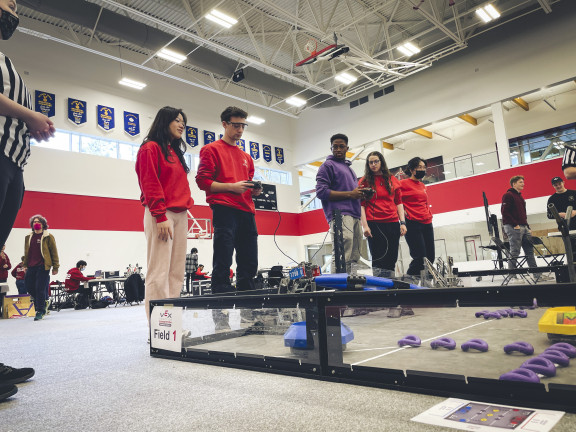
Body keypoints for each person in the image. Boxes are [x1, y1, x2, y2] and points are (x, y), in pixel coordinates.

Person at [0, 0, 53, 399]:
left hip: (13, 163)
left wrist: (28, 125)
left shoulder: (9, 64)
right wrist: (31, 116)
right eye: (9, 2)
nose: (14, 10)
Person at [135, 106, 193, 321]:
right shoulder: (150, 148)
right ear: (164, 121)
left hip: (180, 213)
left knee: (176, 273)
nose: (181, 125)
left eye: (183, 122)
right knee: (159, 271)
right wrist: (159, 216)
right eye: (177, 120)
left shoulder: (174, 152)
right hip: (161, 213)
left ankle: (171, 322)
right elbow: (150, 183)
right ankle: (158, 325)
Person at [195, 106, 261, 294]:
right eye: (236, 125)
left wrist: (254, 191)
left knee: (249, 260)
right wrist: (231, 187)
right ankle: (220, 298)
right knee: (224, 256)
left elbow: (246, 184)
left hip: (247, 210)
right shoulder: (210, 150)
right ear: (224, 124)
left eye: (243, 126)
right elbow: (202, 181)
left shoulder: (246, 157)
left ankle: (248, 298)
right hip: (224, 209)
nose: (240, 130)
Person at [315, 133, 364, 274]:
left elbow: (352, 193)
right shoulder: (327, 166)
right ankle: (338, 289)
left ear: (347, 148)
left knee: (355, 254)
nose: (338, 149)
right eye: (335, 147)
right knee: (342, 252)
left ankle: (352, 287)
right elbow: (321, 192)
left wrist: (361, 194)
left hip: (355, 215)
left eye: (341, 146)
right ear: (331, 148)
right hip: (340, 214)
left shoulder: (350, 169)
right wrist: (351, 194)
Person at [358, 151, 407, 278]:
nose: (373, 164)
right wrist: (365, 226)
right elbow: (361, 205)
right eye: (370, 162)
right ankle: (380, 290)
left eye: (376, 161)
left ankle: (390, 288)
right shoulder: (364, 182)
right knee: (378, 260)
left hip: (392, 223)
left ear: (381, 162)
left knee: (391, 258)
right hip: (374, 224)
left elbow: (399, 202)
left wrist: (402, 222)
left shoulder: (392, 179)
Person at [399, 157, 434, 280]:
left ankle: (427, 287)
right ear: (412, 169)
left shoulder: (423, 185)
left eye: (424, 167)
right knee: (420, 257)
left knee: (430, 258)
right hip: (412, 222)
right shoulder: (402, 183)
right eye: (419, 167)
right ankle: (407, 283)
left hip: (427, 221)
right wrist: (403, 214)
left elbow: (424, 202)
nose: (422, 169)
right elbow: (396, 201)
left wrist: (429, 214)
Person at [23, 214, 58, 321]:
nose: (36, 223)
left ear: (43, 224)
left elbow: (54, 252)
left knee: (39, 288)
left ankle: (40, 310)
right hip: (31, 266)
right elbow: (26, 252)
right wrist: (25, 265)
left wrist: (56, 266)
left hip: (43, 266)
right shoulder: (28, 237)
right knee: (29, 287)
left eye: (38, 222)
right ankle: (43, 302)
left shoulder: (48, 236)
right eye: (34, 222)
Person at [501, 175, 537, 270]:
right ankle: (512, 276)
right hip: (514, 227)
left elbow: (523, 214)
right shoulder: (508, 195)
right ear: (514, 184)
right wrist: (515, 224)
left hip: (524, 227)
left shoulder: (520, 197)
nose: (523, 184)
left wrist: (528, 227)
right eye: (520, 182)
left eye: (523, 182)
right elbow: (505, 212)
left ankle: (537, 274)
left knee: (529, 251)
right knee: (515, 251)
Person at [547, 176, 576, 257]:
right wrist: (559, 214)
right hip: (565, 228)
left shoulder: (573, 193)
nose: (558, 186)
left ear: (563, 182)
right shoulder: (552, 199)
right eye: (556, 185)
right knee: (571, 250)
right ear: (553, 186)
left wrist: (575, 212)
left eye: (559, 184)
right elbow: (549, 215)